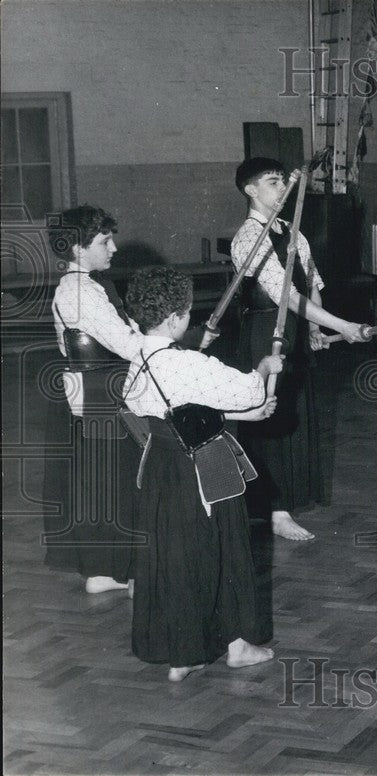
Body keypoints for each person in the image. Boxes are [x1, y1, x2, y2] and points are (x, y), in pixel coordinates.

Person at [123, 267, 280, 682]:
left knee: (180, 557)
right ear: (176, 318)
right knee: (224, 549)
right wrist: (265, 367)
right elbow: (250, 390)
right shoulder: (188, 363)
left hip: (161, 468)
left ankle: (185, 653)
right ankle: (237, 647)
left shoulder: (136, 358)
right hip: (203, 466)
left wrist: (230, 411)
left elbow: (178, 409)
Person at [230, 158, 367, 541]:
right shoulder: (247, 237)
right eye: (273, 182)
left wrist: (315, 328)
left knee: (294, 414)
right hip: (263, 333)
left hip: (292, 330)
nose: (281, 188)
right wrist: (345, 327)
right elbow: (284, 294)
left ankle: (286, 501)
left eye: (282, 180)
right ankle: (273, 511)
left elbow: (311, 284)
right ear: (251, 190)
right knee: (270, 420)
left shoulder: (293, 231)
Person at [45, 206, 143, 594]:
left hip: (97, 390)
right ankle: (125, 571)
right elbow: (125, 344)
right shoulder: (82, 292)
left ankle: (104, 570)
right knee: (120, 479)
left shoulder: (84, 286)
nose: (114, 248)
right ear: (78, 249)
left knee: (103, 481)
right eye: (104, 241)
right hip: (103, 391)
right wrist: (175, 342)